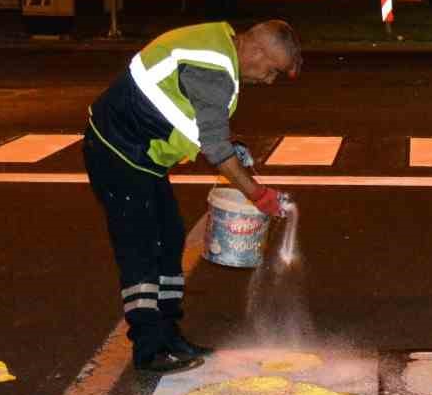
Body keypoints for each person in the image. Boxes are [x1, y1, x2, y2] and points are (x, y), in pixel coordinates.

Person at [84, 20, 303, 374]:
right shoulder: (213, 70)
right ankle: (148, 348)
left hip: (142, 155)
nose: (268, 80)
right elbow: (215, 149)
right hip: (117, 151)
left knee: (170, 241)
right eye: (272, 71)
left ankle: (169, 336)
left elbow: (201, 124)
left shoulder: (217, 45)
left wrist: (232, 149)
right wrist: (258, 195)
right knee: (141, 249)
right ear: (257, 51)